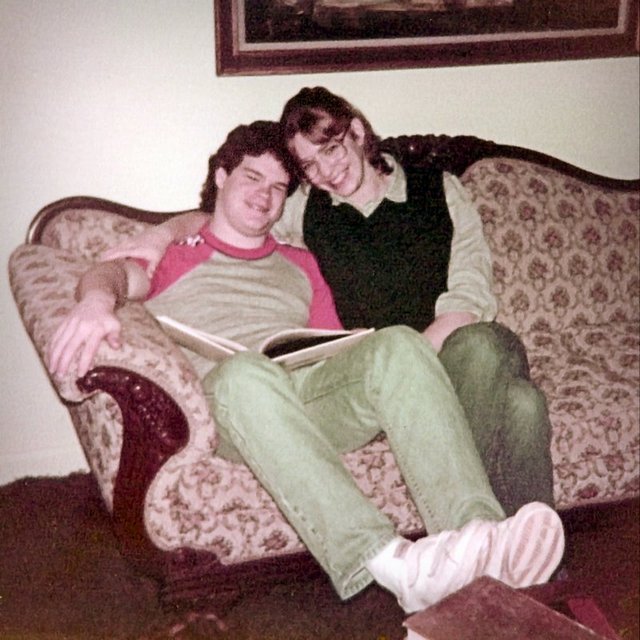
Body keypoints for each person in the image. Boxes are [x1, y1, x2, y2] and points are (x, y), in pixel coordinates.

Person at [48, 121, 564, 612]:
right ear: (222, 177)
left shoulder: (301, 261)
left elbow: (333, 346)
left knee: (399, 344)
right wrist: (95, 301)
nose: (265, 195)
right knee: (247, 373)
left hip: (308, 394)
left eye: (278, 187)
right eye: (253, 177)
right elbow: (110, 274)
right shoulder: (176, 255)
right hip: (236, 405)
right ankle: (394, 563)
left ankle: (476, 538)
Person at [106, 87, 554, 517]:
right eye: (309, 165)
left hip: (453, 355)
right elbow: (234, 214)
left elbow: (469, 297)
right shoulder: (305, 207)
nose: (326, 172)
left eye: (332, 148)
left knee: (483, 343)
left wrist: (411, 367)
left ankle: (482, 532)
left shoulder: (440, 189)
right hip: (374, 378)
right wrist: (164, 233)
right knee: (523, 406)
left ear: (357, 132)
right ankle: (519, 549)